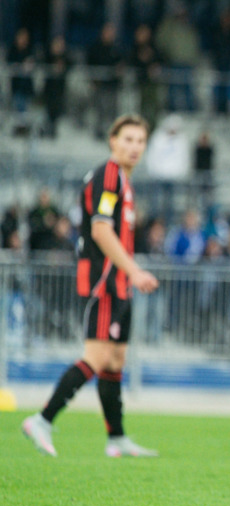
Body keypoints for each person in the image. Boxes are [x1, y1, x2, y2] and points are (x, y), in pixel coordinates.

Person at [22, 114, 160, 458]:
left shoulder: (123, 182)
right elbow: (100, 230)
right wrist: (135, 271)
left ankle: (116, 438)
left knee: (115, 359)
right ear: (112, 141)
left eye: (140, 141)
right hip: (104, 282)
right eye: (127, 139)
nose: (133, 147)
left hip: (119, 283)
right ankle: (42, 419)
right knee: (96, 357)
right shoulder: (108, 176)